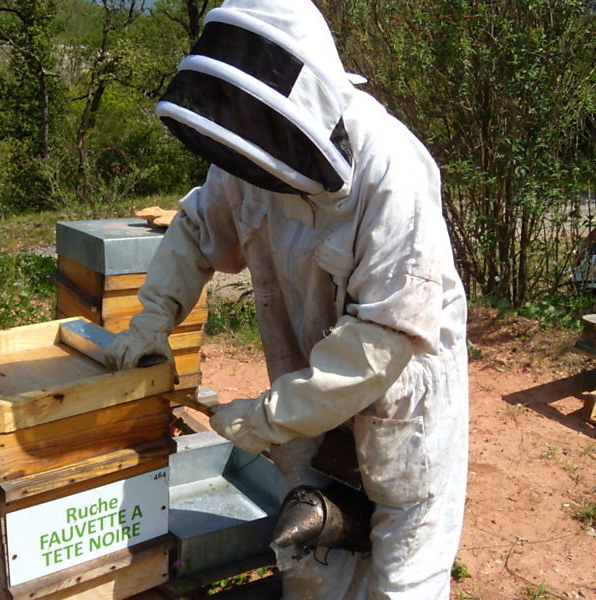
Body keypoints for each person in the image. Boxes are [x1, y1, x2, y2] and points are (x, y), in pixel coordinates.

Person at [105, 0, 469, 598]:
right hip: (305, 380)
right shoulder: (253, 152)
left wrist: (270, 416)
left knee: (403, 574)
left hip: (401, 398)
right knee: (312, 556)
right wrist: (151, 320)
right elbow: (198, 231)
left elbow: (385, 340)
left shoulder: (392, 170)